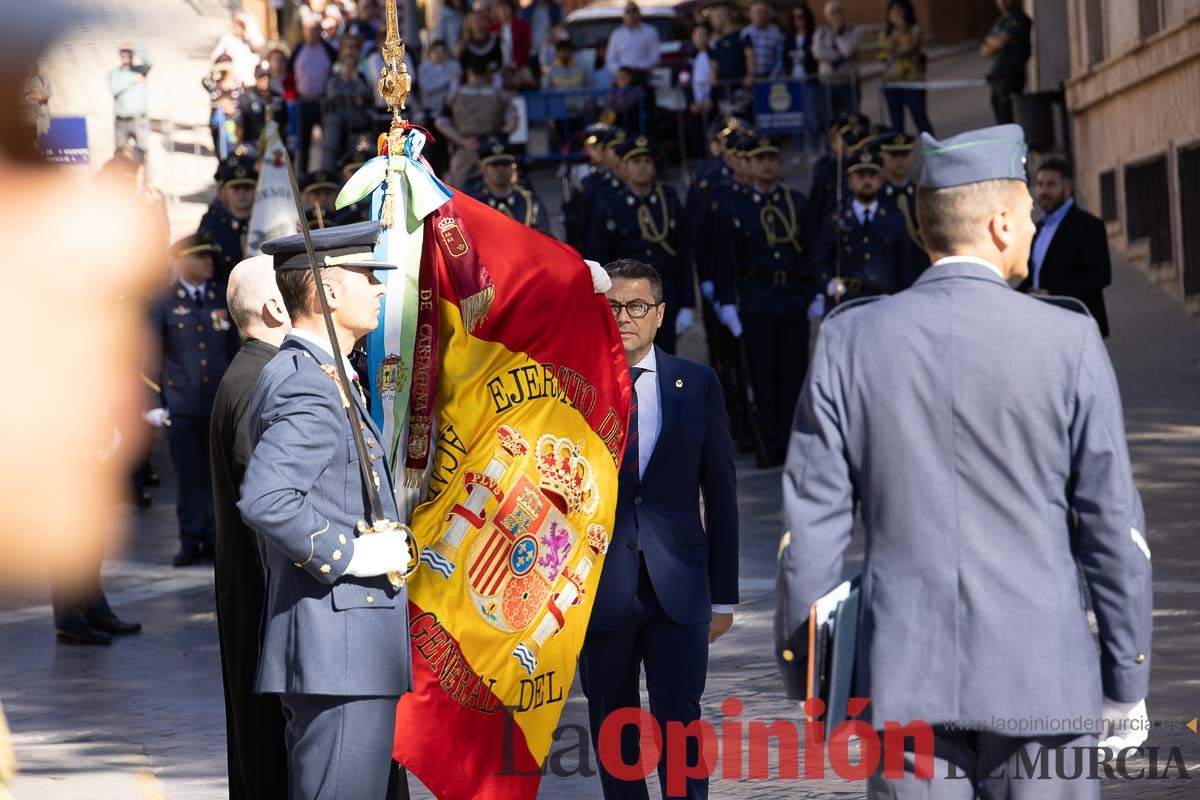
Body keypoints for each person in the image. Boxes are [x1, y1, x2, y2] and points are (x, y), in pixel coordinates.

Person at [777, 124, 1152, 797]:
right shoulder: (1068, 339)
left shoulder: (847, 342)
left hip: (902, 680)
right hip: (1043, 677)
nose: (1037, 228)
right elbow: (1111, 525)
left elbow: (809, 538)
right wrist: (1126, 680)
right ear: (1002, 224)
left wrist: (817, 683)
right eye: (1031, 215)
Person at [238, 221, 412, 799]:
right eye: (369, 277)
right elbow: (267, 499)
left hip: (345, 647)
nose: (381, 289)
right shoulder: (307, 383)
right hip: (338, 647)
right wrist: (354, 554)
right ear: (330, 291)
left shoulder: (321, 373)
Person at [579, 259, 738, 800]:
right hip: (600, 589)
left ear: (660, 314)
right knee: (613, 727)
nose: (625, 317)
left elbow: (720, 493)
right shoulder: (572, 387)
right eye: (613, 306)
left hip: (681, 588)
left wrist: (726, 597)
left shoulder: (696, 383)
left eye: (637, 306)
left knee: (680, 723)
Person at [210, 255, 292, 800]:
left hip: (251, 595)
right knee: (271, 759)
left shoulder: (248, 371)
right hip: (268, 603)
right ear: (276, 305)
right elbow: (270, 509)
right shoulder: (266, 380)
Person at [711, 135, 814, 463]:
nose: (767, 163)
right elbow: (725, 258)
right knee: (763, 374)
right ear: (748, 165)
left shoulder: (795, 201)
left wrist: (814, 292)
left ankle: (795, 440)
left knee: (794, 373)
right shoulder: (732, 205)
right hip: (757, 296)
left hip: (792, 295)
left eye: (772, 157)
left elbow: (809, 250)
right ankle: (770, 443)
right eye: (760, 158)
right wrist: (727, 302)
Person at [147, 232, 241, 567]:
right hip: (183, 403)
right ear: (182, 261)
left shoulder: (220, 296)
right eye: (200, 257)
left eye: (209, 258)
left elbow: (233, 351)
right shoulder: (163, 300)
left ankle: (216, 537)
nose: (208, 263)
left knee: (219, 477)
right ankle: (190, 538)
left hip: (217, 401)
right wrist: (153, 402)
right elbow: (151, 354)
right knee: (189, 479)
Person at [585, 136, 694, 354]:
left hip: (663, 290)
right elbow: (599, 255)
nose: (642, 167)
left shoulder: (668, 199)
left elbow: (683, 252)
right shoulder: (609, 203)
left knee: (664, 359)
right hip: (623, 297)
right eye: (636, 162)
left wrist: (688, 303)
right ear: (623, 168)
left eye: (647, 161)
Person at [1018, 157, 1112, 337]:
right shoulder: (1038, 228)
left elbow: (1101, 276)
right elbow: (1034, 277)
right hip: (1044, 323)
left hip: (1079, 325)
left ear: (1068, 188)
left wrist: (1052, 293)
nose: (1044, 191)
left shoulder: (1089, 225)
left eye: (1051, 184)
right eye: (1040, 184)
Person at [814, 146, 914, 309]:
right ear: (850, 181)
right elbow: (821, 261)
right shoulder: (836, 218)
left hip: (886, 302)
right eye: (860, 176)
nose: (867, 181)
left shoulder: (894, 219)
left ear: (880, 180)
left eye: (872, 175)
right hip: (849, 301)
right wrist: (828, 283)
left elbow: (904, 267)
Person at [437, 63, 516, 187]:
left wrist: (462, 141)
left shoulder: (456, 93)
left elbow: (441, 122)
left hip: (464, 149)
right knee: (494, 189)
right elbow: (512, 121)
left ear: (469, 73)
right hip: (492, 151)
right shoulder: (499, 93)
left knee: (459, 194)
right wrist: (496, 138)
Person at [468, 135, 551, 235]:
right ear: (484, 168)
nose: (501, 170)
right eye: (495, 166)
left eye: (506, 165)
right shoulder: (474, 203)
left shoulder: (530, 203)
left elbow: (545, 238)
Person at [197, 154, 258, 284]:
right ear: (224, 191)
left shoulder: (265, 219)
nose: (241, 193)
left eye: (248, 187)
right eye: (235, 188)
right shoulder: (212, 225)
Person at [877, 130, 930, 275]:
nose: (900, 160)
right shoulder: (876, 197)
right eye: (894, 155)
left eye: (905, 154)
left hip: (922, 269)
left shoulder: (922, 194)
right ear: (883, 156)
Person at [289, 18, 337, 171]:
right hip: (303, 101)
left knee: (328, 142)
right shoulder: (298, 50)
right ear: (304, 32)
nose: (312, 33)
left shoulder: (328, 50)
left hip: (323, 101)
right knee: (303, 143)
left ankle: (327, 173)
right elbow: (289, 73)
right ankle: (302, 176)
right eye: (309, 30)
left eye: (315, 30)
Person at [878, 0, 933, 135]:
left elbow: (906, 49)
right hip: (891, 83)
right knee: (896, 125)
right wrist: (894, 47)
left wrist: (901, 32)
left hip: (912, 81)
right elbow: (883, 53)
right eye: (893, 11)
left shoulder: (914, 29)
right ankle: (900, 154)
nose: (896, 14)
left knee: (921, 120)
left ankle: (934, 153)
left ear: (906, 12)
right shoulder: (885, 33)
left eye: (899, 11)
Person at [321, 49, 373, 172]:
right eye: (346, 65)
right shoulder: (334, 80)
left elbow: (363, 96)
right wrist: (353, 97)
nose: (348, 68)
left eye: (352, 65)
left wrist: (355, 80)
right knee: (332, 139)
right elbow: (335, 96)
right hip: (336, 120)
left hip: (355, 121)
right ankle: (329, 171)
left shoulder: (359, 80)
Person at [982, 0, 1032, 125]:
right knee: (998, 110)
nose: (1002, 2)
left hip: (1012, 74)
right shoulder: (1000, 22)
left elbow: (1002, 41)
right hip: (998, 75)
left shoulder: (1019, 19)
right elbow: (984, 51)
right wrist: (996, 43)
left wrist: (994, 43)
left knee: (1009, 114)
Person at [812, 1, 859, 130]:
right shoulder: (820, 33)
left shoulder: (853, 32)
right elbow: (818, 53)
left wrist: (838, 34)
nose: (835, 16)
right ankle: (832, 148)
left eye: (838, 12)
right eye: (832, 13)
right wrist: (840, 56)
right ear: (826, 16)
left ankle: (852, 147)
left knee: (852, 118)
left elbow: (848, 50)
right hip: (828, 83)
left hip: (848, 83)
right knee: (830, 118)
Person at [787, 3, 820, 153]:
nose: (798, 21)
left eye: (801, 17)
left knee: (812, 116)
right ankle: (798, 150)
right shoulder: (790, 37)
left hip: (809, 80)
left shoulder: (813, 35)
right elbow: (784, 56)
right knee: (795, 118)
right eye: (795, 18)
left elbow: (815, 56)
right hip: (794, 81)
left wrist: (804, 55)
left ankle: (814, 147)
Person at [237, 61, 286, 154]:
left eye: (267, 76)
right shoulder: (247, 96)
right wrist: (240, 144)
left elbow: (284, 123)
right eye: (261, 76)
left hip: (274, 146)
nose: (265, 79)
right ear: (256, 77)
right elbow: (240, 124)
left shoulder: (277, 97)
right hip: (251, 144)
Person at [109, 43, 151, 149]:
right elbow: (115, 88)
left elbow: (150, 62)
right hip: (121, 121)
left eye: (128, 53)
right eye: (123, 52)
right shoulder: (115, 73)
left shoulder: (140, 70)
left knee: (142, 152)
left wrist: (136, 49)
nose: (126, 55)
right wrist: (135, 78)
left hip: (139, 119)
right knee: (120, 155)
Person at [604, 2, 660, 79]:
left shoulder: (650, 32)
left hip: (643, 75)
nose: (631, 14)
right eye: (628, 11)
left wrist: (639, 67)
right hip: (622, 78)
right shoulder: (617, 34)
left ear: (639, 14)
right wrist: (621, 70)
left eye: (634, 11)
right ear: (623, 16)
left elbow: (655, 57)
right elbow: (610, 60)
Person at [740, 0, 785, 83]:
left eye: (763, 12)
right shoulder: (745, 33)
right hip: (751, 79)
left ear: (768, 14)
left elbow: (780, 57)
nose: (760, 16)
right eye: (757, 12)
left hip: (772, 77)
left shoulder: (776, 32)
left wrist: (773, 77)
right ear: (751, 14)